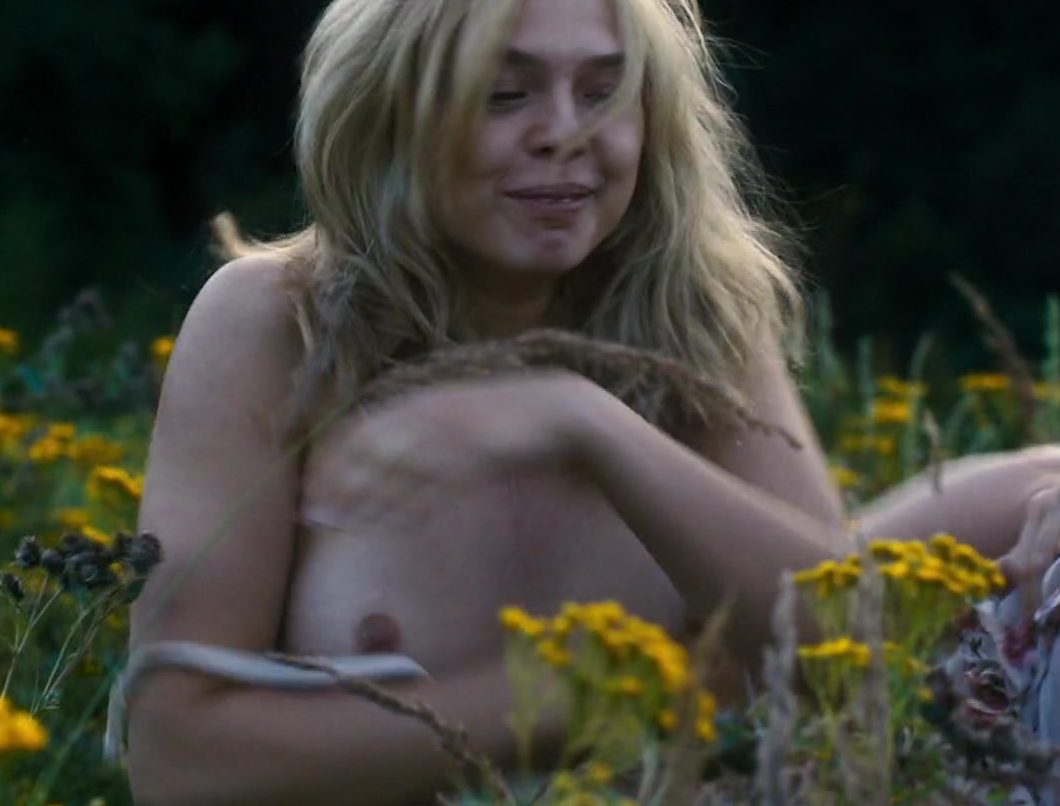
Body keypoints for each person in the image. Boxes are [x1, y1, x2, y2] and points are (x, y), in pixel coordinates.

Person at [125, 0, 1060, 802]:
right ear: (386, 110)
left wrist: (582, 420)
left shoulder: (696, 310)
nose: (565, 133)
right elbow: (176, 760)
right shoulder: (275, 324)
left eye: (606, 92)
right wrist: (592, 691)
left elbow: (833, 653)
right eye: (505, 94)